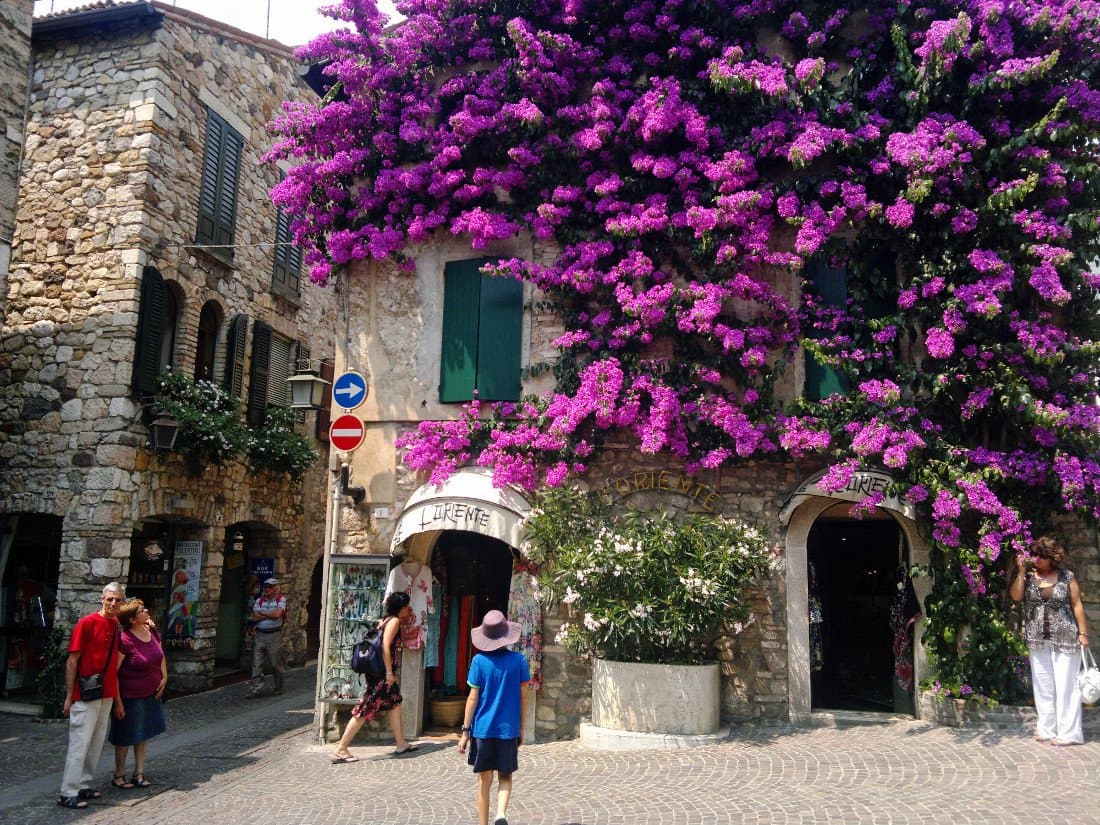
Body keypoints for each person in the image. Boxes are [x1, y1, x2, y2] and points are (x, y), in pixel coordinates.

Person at [1010, 535, 1089, 746]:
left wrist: (1083, 633)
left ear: (1051, 557)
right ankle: (1046, 729)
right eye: (1033, 554)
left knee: (1066, 686)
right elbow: (1016, 597)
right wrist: (1020, 572)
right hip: (1037, 639)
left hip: (1065, 637)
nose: (1035, 559)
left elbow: (1077, 605)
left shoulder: (1066, 577)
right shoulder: (1027, 577)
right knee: (1042, 684)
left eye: (1039, 556)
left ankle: (1069, 733)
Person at [457, 610, 531, 825]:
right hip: (508, 729)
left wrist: (464, 732)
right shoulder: (518, 661)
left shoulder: (478, 661)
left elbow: (472, 699)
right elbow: (523, 698)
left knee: (484, 778)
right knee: (505, 776)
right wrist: (522, 728)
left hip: (482, 729)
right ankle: (500, 813)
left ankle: (484, 823)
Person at [58, 582, 125, 809]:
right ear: (102, 599)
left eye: (117, 599)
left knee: (96, 742)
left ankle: (83, 784)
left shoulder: (115, 624)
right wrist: (69, 695)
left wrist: (117, 699)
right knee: (80, 742)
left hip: (105, 692)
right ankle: (68, 791)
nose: (113, 603)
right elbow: (72, 660)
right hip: (85, 692)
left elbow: (114, 665)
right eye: (110, 599)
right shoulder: (86, 624)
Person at [331, 591, 418, 762]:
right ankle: (341, 748)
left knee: (394, 702)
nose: (409, 609)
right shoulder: (394, 622)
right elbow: (385, 647)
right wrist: (389, 673)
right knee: (365, 708)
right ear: (400, 608)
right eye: (407, 606)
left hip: (379, 672)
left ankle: (401, 744)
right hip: (381, 674)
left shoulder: (384, 620)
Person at [109, 599, 168, 789]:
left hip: (150, 693)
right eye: (142, 610)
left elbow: (160, 655)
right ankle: (119, 774)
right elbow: (114, 672)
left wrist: (164, 678)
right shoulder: (125, 639)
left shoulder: (151, 631)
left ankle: (139, 772)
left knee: (144, 733)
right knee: (125, 735)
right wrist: (117, 701)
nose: (147, 611)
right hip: (130, 696)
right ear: (133, 619)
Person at [250, 577, 287, 697]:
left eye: (269, 587)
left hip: (274, 634)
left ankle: (278, 687)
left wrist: (263, 613)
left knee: (275, 663)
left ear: (276, 588)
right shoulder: (259, 600)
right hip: (260, 634)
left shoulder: (281, 600)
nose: (266, 589)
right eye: (265, 586)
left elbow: (277, 614)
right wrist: (270, 614)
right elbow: (254, 617)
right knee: (257, 663)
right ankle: (256, 689)